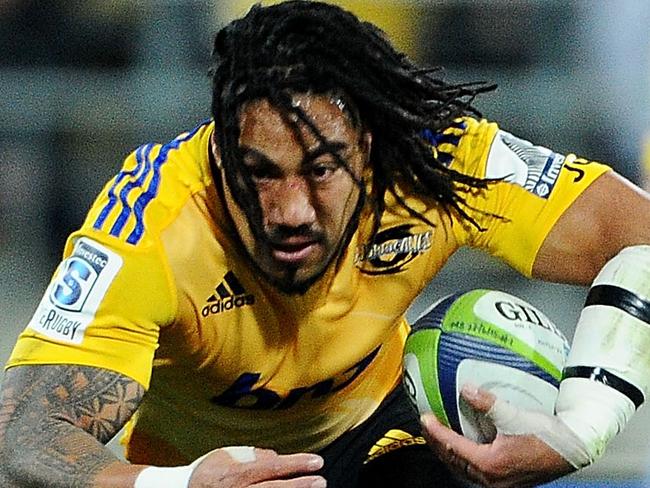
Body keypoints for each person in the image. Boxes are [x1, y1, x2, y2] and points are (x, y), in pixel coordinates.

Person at [1, 2, 650, 487]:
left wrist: (583, 429)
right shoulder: (150, 224)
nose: (289, 212)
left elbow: (639, 237)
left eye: (320, 170)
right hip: (208, 473)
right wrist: (174, 486)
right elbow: (24, 432)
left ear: (368, 150)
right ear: (219, 152)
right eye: (258, 173)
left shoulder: (436, 160)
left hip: (386, 439)